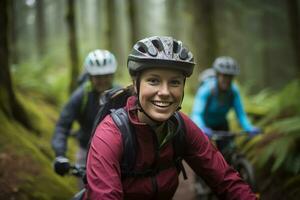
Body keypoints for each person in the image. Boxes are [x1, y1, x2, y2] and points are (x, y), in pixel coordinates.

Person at [84, 36, 257, 199]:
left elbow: (226, 180)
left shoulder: (181, 126)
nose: (165, 92)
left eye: (174, 82)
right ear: (136, 84)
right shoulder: (110, 135)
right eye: (153, 81)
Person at [51, 49, 118, 177]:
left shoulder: (120, 95)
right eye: (98, 77)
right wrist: (60, 155)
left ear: (112, 75)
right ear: (90, 76)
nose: (102, 80)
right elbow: (62, 126)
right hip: (86, 153)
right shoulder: (81, 96)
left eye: (106, 75)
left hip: (117, 152)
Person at [191, 56, 260, 149]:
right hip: (205, 126)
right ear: (217, 75)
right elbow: (197, 114)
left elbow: (240, 114)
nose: (227, 80)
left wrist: (249, 128)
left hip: (222, 126)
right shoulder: (206, 89)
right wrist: (201, 127)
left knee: (229, 150)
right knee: (206, 153)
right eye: (224, 76)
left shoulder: (233, 91)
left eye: (230, 77)